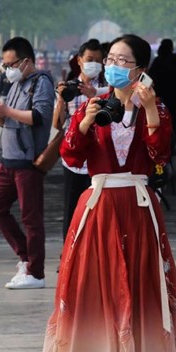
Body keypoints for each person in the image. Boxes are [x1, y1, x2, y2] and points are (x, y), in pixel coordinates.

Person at [41, 34, 176, 352]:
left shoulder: (156, 108)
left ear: (141, 69)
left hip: (137, 205)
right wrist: (84, 123)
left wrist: (150, 110)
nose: (113, 66)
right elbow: (72, 156)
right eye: (111, 59)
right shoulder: (94, 104)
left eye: (123, 61)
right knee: (85, 284)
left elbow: (159, 156)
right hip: (98, 203)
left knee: (135, 285)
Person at [0, 37, 55, 289]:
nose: (8, 69)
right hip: (8, 160)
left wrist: (7, 111)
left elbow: (39, 117)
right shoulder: (16, 83)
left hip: (27, 162)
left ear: (26, 61)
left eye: (11, 64)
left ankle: (36, 273)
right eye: (5, 65)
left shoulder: (41, 82)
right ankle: (25, 256)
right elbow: (9, 119)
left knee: (31, 218)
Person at [52, 38, 109, 242]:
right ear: (79, 60)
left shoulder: (107, 89)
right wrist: (61, 99)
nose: (94, 64)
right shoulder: (70, 88)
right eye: (89, 59)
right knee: (71, 210)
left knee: (99, 212)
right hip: (74, 161)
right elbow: (57, 125)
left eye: (98, 60)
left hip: (100, 159)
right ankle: (69, 252)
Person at [148, 38, 176, 155]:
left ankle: (164, 145)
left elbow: (150, 77)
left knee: (160, 122)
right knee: (174, 121)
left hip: (160, 96)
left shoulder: (158, 61)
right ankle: (172, 145)